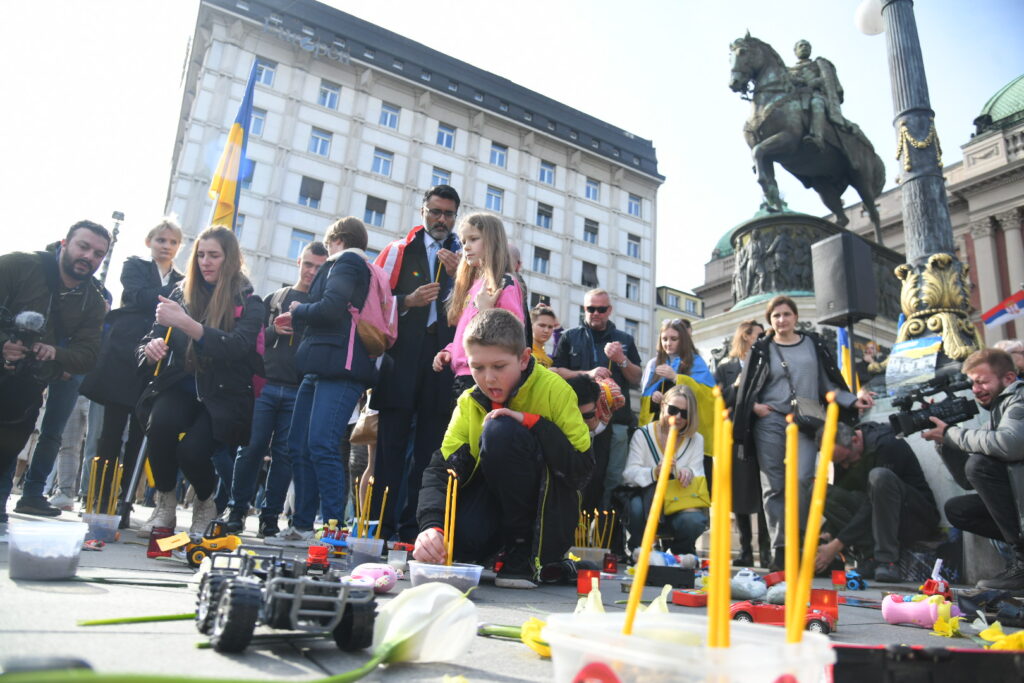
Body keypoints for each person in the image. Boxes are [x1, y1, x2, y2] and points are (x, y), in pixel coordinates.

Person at [412, 309, 592, 588]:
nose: (488, 379)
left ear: (523, 359)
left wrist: (534, 424)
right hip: (492, 503)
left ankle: (523, 553)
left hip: (546, 513)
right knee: (457, 544)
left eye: (498, 367)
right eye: (477, 367)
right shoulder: (469, 401)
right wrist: (431, 527)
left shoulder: (555, 390)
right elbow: (440, 470)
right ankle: (498, 552)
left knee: (499, 431)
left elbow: (581, 471)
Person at [136, 226, 265, 536]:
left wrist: (188, 324)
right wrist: (149, 350)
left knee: (192, 452)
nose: (206, 262)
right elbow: (151, 337)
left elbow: (235, 347)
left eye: (214, 255)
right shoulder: (180, 292)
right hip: (179, 383)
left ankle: (206, 503)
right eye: (201, 255)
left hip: (224, 393)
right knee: (160, 425)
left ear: (230, 259)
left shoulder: (250, 301)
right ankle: (165, 505)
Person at [732, 295, 872, 570]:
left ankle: (805, 544)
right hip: (770, 421)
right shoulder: (762, 348)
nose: (781, 320)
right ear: (770, 321)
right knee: (774, 486)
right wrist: (756, 407)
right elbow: (747, 388)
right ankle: (782, 550)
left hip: (806, 420)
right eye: (776, 316)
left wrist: (852, 400)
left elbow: (826, 384)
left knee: (803, 482)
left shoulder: (812, 344)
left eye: (786, 314)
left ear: (795, 317)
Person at [268, 217, 376, 546]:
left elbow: (331, 309)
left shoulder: (348, 262)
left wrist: (299, 309)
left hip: (339, 368)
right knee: (299, 444)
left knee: (322, 445)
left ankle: (333, 527)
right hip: (320, 365)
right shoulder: (345, 264)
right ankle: (302, 524)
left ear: (336, 240)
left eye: (328, 243)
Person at [1, 221, 110, 520]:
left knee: (21, 430)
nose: (89, 256)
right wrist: (3, 344)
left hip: (32, 380)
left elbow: (88, 355)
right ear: (64, 243)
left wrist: (55, 355)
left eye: (98, 253)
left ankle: (24, 497)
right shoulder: (18, 265)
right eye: (83, 247)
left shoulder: (94, 302)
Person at [79, 218, 184, 525]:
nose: (166, 246)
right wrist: (172, 298)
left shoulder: (181, 278)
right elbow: (139, 296)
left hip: (157, 359)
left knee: (140, 436)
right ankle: (100, 499)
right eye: (161, 240)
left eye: (172, 242)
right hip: (124, 355)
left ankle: (124, 504)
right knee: (110, 434)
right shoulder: (134, 265)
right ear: (149, 241)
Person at [372, 185, 462, 542]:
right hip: (401, 359)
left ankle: (416, 532)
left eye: (448, 214)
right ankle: (381, 527)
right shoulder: (398, 250)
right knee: (390, 450)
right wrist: (406, 300)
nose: (441, 219)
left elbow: (478, 307)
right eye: (436, 211)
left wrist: (462, 276)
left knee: (429, 453)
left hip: (442, 361)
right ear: (423, 210)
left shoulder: (465, 255)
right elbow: (374, 303)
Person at [222, 240, 328, 536]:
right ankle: (237, 508)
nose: (311, 272)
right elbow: (249, 341)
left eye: (319, 268)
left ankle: (270, 516)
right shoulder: (275, 298)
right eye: (308, 264)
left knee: (285, 456)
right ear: (298, 262)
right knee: (251, 448)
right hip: (265, 385)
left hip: (298, 389)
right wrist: (273, 330)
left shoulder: (323, 306)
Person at [924, 348, 1024, 590]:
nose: (976, 389)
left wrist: (952, 434)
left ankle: (1022, 562)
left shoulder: (1019, 398)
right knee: (958, 510)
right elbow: (969, 480)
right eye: (972, 383)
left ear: (1008, 378)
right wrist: (945, 443)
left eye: (982, 382)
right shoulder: (999, 408)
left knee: (980, 464)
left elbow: (1010, 445)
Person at [552, 288, 641, 512]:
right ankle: (575, 530)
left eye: (601, 309)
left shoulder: (624, 339)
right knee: (578, 476)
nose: (596, 313)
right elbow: (555, 371)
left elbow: (637, 378)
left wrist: (621, 360)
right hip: (577, 420)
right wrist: (588, 373)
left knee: (611, 479)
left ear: (609, 310)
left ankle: (608, 536)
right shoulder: (569, 336)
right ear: (584, 309)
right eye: (591, 308)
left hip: (616, 421)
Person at [816, 421, 940, 582]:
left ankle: (887, 560)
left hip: (914, 518)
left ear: (855, 440)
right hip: (878, 518)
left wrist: (837, 544)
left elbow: (871, 503)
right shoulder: (843, 455)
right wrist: (830, 533)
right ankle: (870, 558)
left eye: (846, 460)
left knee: (880, 477)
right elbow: (846, 494)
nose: (845, 466)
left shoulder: (887, 444)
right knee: (819, 490)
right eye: (840, 463)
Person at [432, 213, 524, 397]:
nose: (466, 246)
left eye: (473, 239)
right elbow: (468, 330)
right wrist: (451, 350)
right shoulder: (474, 285)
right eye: (463, 241)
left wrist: (486, 312)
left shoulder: (503, 283)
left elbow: (514, 333)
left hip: (486, 378)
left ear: (492, 242)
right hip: (463, 375)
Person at [622, 384, 710, 557]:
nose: (677, 417)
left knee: (694, 520)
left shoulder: (695, 439)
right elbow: (629, 474)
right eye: (673, 409)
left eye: (684, 414)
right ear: (663, 406)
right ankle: (639, 549)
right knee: (635, 506)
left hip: (679, 502)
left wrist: (688, 472)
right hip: (646, 500)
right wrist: (655, 472)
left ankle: (680, 552)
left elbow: (699, 474)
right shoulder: (643, 434)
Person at [716, 320, 771, 568]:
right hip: (736, 435)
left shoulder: (766, 361)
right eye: (758, 335)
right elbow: (719, 400)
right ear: (746, 336)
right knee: (739, 493)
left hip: (760, 433)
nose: (762, 339)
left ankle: (766, 551)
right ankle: (746, 549)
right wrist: (737, 385)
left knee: (763, 493)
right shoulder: (726, 367)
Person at [638, 318, 715, 429]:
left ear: (683, 340)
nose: (668, 343)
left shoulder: (696, 362)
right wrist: (654, 398)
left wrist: (676, 377)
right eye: (664, 339)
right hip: (658, 427)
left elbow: (707, 396)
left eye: (674, 339)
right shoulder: (654, 364)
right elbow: (644, 400)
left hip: (684, 428)